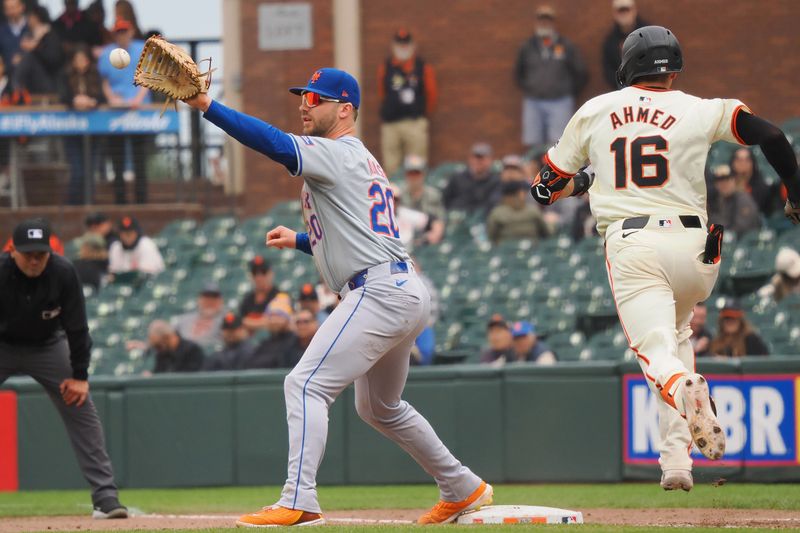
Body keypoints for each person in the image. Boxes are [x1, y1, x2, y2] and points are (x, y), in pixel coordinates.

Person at [183, 66, 491, 526]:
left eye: (315, 99)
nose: (304, 104)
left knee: (304, 384)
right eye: (303, 97)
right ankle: (463, 486)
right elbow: (359, 232)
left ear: (344, 109)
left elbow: (271, 141)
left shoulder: (337, 152)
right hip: (400, 286)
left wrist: (208, 106)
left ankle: (298, 498)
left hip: (379, 291)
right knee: (379, 407)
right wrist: (302, 240)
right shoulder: (357, 158)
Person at [529, 26, 800, 490]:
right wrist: (794, 190)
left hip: (635, 245)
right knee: (676, 336)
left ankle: (682, 390)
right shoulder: (700, 108)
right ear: (673, 69)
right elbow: (772, 135)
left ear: (627, 65)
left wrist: (583, 183)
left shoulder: (595, 110)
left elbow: (546, 187)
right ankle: (676, 461)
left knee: (656, 352)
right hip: (697, 251)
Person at [0, 219, 127, 519]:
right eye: (27, 253)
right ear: (12, 250)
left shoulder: (62, 272)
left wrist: (79, 376)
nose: (34, 260)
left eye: (40, 254)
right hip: (2, 345)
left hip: (47, 346)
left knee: (81, 407)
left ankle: (105, 497)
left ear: (49, 252)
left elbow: (78, 329)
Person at [514, 5, 588, 148]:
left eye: (547, 20)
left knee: (558, 144)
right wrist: (530, 87)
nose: (544, 23)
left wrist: (567, 90)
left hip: (560, 102)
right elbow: (518, 72)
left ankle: (554, 171)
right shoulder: (528, 46)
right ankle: (535, 171)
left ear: (553, 23)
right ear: (536, 22)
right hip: (533, 101)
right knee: (532, 144)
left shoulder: (565, 45)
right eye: (541, 20)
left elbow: (580, 72)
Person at [97, 18, 149, 204]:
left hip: (139, 112)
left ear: (131, 31)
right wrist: (111, 99)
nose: (122, 34)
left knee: (139, 158)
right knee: (117, 158)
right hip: (116, 112)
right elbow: (104, 82)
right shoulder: (106, 53)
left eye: (124, 31)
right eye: (118, 31)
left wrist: (138, 100)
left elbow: (148, 78)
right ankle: (119, 199)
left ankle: (142, 200)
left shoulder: (142, 49)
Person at [377, 28, 438, 177]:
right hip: (391, 124)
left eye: (406, 44)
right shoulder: (386, 67)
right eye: (400, 44)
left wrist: (421, 114)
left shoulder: (422, 68)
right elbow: (382, 93)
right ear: (394, 46)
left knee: (416, 165)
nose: (403, 47)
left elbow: (431, 94)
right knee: (391, 166)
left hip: (414, 122)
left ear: (412, 45)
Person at [59, 44, 104, 205]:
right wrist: (74, 101)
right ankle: (74, 203)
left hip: (93, 130)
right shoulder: (65, 76)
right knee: (77, 170)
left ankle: (89, 202)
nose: (80, 63)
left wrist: (92, 101)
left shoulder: (95, 76)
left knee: (90, 169)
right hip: (72, 130)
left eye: (83, 59)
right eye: (77, 60)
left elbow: (102, 97)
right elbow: (62, 97)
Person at [601, 0, 649, 90]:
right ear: (614, 13)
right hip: (623, 90)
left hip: (648, 87)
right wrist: (621, 84)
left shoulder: (648, 33)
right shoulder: (610, 41)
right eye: (620, 11)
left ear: (634, 10)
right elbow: (608, 69)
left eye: (627, 10)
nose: (624, 14)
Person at [442, 142, 502, 213]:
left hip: (482, 219)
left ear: (490, 160)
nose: (478, 161)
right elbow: (446, 199)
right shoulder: (457, 178)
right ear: (470, 159)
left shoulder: (496, 181)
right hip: (458, 218)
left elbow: (493, 203)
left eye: (482, 158)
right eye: (476, 157)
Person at [246, 294, 302, 369]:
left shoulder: (295, 341)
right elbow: (251, 363)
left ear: (287, 320)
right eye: (271, 316)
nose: (274, 320)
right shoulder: (265, 343)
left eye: (279, 316)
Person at [486, 180, 549, 245]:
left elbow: (491, 237)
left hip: (505, 252)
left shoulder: (497, 213)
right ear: (519, 193)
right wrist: (552, 224)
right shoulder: (533, 211)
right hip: (532, 251)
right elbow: (546, 232)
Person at [707, 164, 762, 236]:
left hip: (746, 242)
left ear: (734, 180)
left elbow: (741, 228)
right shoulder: (717, 201)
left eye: (727, 179)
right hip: (725, 241)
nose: (724, 184)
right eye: (719, 180)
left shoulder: (743, 199)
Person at [171, 282, 225, 353]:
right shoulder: (184, 319)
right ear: (199, 299)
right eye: (206, 297)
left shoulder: (226, 320)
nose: (210, 301)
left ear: (221, 301)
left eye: (214, 298)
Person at [729, 147, 781, 216]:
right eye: (739, 160)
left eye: (747, 160)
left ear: (753, 164)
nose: (742, 163)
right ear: (733, 164)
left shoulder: (762, 189)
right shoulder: (725, 185)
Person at [399, 154, 446, 228]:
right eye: (411, 173)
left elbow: (440, 219)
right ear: (406, 174)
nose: (414, 177)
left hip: (426, 234)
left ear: (423, 174)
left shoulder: (433, 195)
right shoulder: (398, 194)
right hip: (403, 232)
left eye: (417, 173)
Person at [239, 255, 281, 331]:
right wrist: (265, 322)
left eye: (263, 272)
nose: (259, 277)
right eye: (255, 272)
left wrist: (250, 323)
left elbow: (278, 322)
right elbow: (240, 322)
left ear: (271, 274)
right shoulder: (247, 299)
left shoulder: (279, 296)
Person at [0, 0, 27, 79]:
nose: (12, 11)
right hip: (11, 80)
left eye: (14, 7)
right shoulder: (1, 32)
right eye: (8, 8)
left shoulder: (32, 26)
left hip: (35, 80)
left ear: (22, 6)